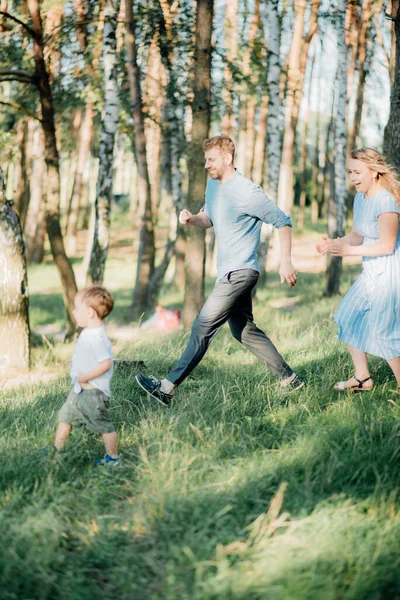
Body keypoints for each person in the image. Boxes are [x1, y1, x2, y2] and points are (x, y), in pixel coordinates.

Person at [135, 134, 303, 406]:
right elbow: (208, 218)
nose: (206, 165)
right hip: (228, 272)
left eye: (211, 159)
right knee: (243, 331)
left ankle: (166, 388)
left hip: (242, 271)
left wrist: (286, 260)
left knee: (202, 325)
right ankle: (289, 379)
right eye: (205, 160)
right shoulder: (213, 186)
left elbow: (282, 221)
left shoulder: (248, 191)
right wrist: (192, 219)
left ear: (227, 158)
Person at [316, 147, 400, 391]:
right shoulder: (360, 198)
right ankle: (362, 379)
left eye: (358, 172)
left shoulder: (386, 201)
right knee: (347, 317)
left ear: (374, 172)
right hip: (371, 273)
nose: (353, 177)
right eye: (350, 172)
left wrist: (349, 252)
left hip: (390, 275)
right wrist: (335, 244)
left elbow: (386, 245)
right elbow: (357, 235)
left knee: (385, 334)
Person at [53, 285, 119, 465]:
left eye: (77, 308)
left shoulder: (97, 338)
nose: (74, 312)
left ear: (90, 313)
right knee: (65, 417)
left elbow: (105, 364)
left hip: (93, 393)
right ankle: (57, 450)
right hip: (79, 391)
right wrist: (75, 361)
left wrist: (86, 376)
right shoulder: (88, 333)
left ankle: (112, 458)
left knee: (104, 426)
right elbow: (88, 355)